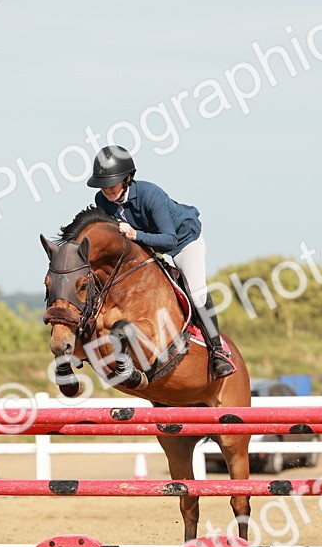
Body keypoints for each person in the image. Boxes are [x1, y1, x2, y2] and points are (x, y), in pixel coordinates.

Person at [86, 145, 235, 380]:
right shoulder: (102, 200)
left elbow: (168, 239)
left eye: (111, 184)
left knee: (196, 292)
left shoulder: (150, 194)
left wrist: (136, 235)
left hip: (183, 241)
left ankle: (217, 351)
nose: (106, 190)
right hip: (147, 246)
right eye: (102, 185)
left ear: (128, 178)